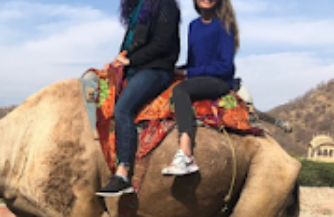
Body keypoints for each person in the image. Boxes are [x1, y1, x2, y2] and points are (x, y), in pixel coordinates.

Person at [96, 0, 181, 196]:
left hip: (156, 69)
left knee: (123, 109)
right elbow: (129, 44)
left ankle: (123, 173)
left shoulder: (165, 5)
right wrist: (117, 61)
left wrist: (130, 60)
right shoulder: (137, 8)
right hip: (136, 69)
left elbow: (162, 44)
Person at [162, 0, 239, 176]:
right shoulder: (193, 26)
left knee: (181, 91)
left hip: (218, 80)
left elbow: (226, 66)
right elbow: (193, 63)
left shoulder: (224, 24)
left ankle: (186, 154)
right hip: (198, 78)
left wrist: (189, 73)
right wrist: (175, 70)